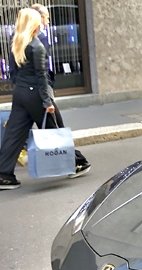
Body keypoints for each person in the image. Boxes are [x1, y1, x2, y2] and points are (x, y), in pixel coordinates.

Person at [0, 8, 90, 190]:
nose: (43, 23)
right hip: (36, 95)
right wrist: (48, 102)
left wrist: (21, 88)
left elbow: (14, 73)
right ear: (34, 23)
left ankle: (3, 175)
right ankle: (76, 163)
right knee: (54, 128)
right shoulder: (36, 46)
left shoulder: (16, 43)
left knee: (14, 133)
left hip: (20, 93)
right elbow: (41, 76)